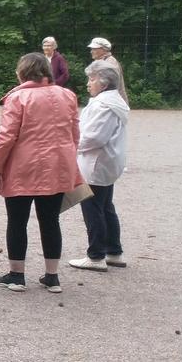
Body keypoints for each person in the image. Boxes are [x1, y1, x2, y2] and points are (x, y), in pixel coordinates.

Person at [0, 52, 81, 294]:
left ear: (22, 72)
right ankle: (52, 276)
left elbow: (7, 136)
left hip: (23, 166)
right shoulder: (67, 96)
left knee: (17, 221)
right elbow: (74, 134)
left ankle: (17, 274)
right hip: (57, 166)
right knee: (51, 220)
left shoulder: (18, 97)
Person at [69, 61, 130, 272]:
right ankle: (114, 251)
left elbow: (94, 137)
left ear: (104, 83)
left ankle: (96, 256)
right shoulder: (114, 102)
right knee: (105, 206)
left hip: (96, 163)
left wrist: (71, 144)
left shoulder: (103, 104)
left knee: (93, 207)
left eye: (92, 79)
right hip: (107, 162)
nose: (88, 83)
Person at [87, 37, 128, 104]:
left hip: (112, 103)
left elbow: (110, 86)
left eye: (94, 49)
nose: (91, 51)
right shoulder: (103, 61)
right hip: (108, 101)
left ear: (104, 50)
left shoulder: (109, 63)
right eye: (92, 49)